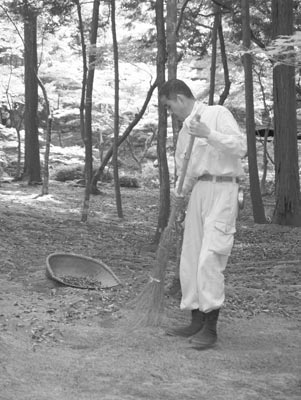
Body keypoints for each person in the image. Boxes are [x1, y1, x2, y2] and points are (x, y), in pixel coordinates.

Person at [159, 79, 247, 350]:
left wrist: (209, 133)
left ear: (180, 98)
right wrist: (180, 196)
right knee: (192, 256)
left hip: (223, 190)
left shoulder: (217, 114)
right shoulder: (185, 131)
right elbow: (185, 169)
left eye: (170, 105)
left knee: (211, 256)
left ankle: (211, 328)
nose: (170, 112)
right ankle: (196, 319)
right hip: (198, 191)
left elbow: (240, 147)